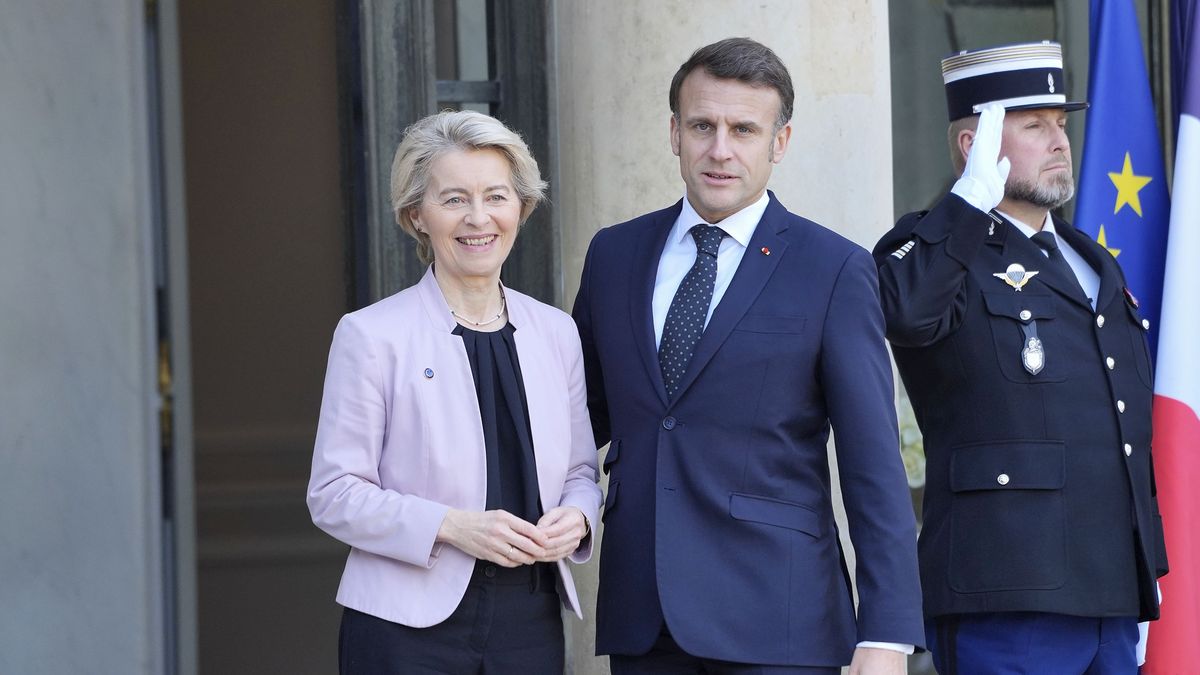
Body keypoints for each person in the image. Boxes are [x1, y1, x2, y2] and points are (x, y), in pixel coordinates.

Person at [572, 37, 924, 674]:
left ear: (779, 143)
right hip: (643, 619)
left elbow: (873, 462)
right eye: (703, 126)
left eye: (744, 129)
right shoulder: (613, 255)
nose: (720, 149)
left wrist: (889, 634)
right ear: (674, 132)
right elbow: (579, 419)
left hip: (778, 622)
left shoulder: (834, 268)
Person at [873, 41, 1168, 673]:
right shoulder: (933, 250)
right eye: (1034, 125)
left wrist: (1145, 568)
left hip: (1110, 591)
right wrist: (969, 201)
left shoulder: (1090, 260)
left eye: (1061, 125)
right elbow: (907, 313)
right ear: (971, 146)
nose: (1059, 141)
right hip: (1005, 592)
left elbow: (1120, 426)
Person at [307, 110, 602, 675]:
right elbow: (334, 493)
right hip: (404, 628)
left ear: (521, 207)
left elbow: (580, 473)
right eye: (453, 199)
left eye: (496, 196)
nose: (478, 218)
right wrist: (452, 525)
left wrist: (579, 517)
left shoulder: (556, 332)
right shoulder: (371, 335)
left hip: (529, 620)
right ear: (417, 215)